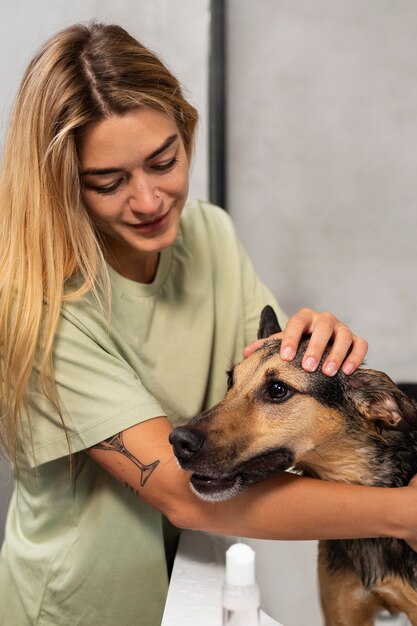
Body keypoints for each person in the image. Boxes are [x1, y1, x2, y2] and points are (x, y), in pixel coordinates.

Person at [0, 21, 415, 626]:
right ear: (64, 186)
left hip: (195, 587)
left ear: (186, 132)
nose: (148, 201)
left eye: (163, 161)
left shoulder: (210, 236)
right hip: (77, 609)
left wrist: (321, 334)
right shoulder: (42, 307)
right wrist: (404, 513)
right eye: (109, 182)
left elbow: (281, 378)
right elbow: (180, 493)